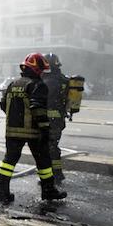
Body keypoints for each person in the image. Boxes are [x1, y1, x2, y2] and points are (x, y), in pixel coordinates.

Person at [0, 53, 66, 203]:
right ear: (37, 69)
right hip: (33, 132)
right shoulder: (37, 85)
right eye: (41, 70)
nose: (42, 73)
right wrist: (45, 129)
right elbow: (38, 109)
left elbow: (3, 105)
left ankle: (3, 194)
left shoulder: (12, 84)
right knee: (44, 162)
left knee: (9, 161)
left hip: (12, 131)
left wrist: (16, 118)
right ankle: (48, 191)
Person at [42, 53, 71, 183]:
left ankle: (53, 176)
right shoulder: (64, 79)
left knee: (47, 148)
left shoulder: (43, 80)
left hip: (46, 120)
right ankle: (57, 173)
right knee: (53, 146)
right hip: (58, 120)